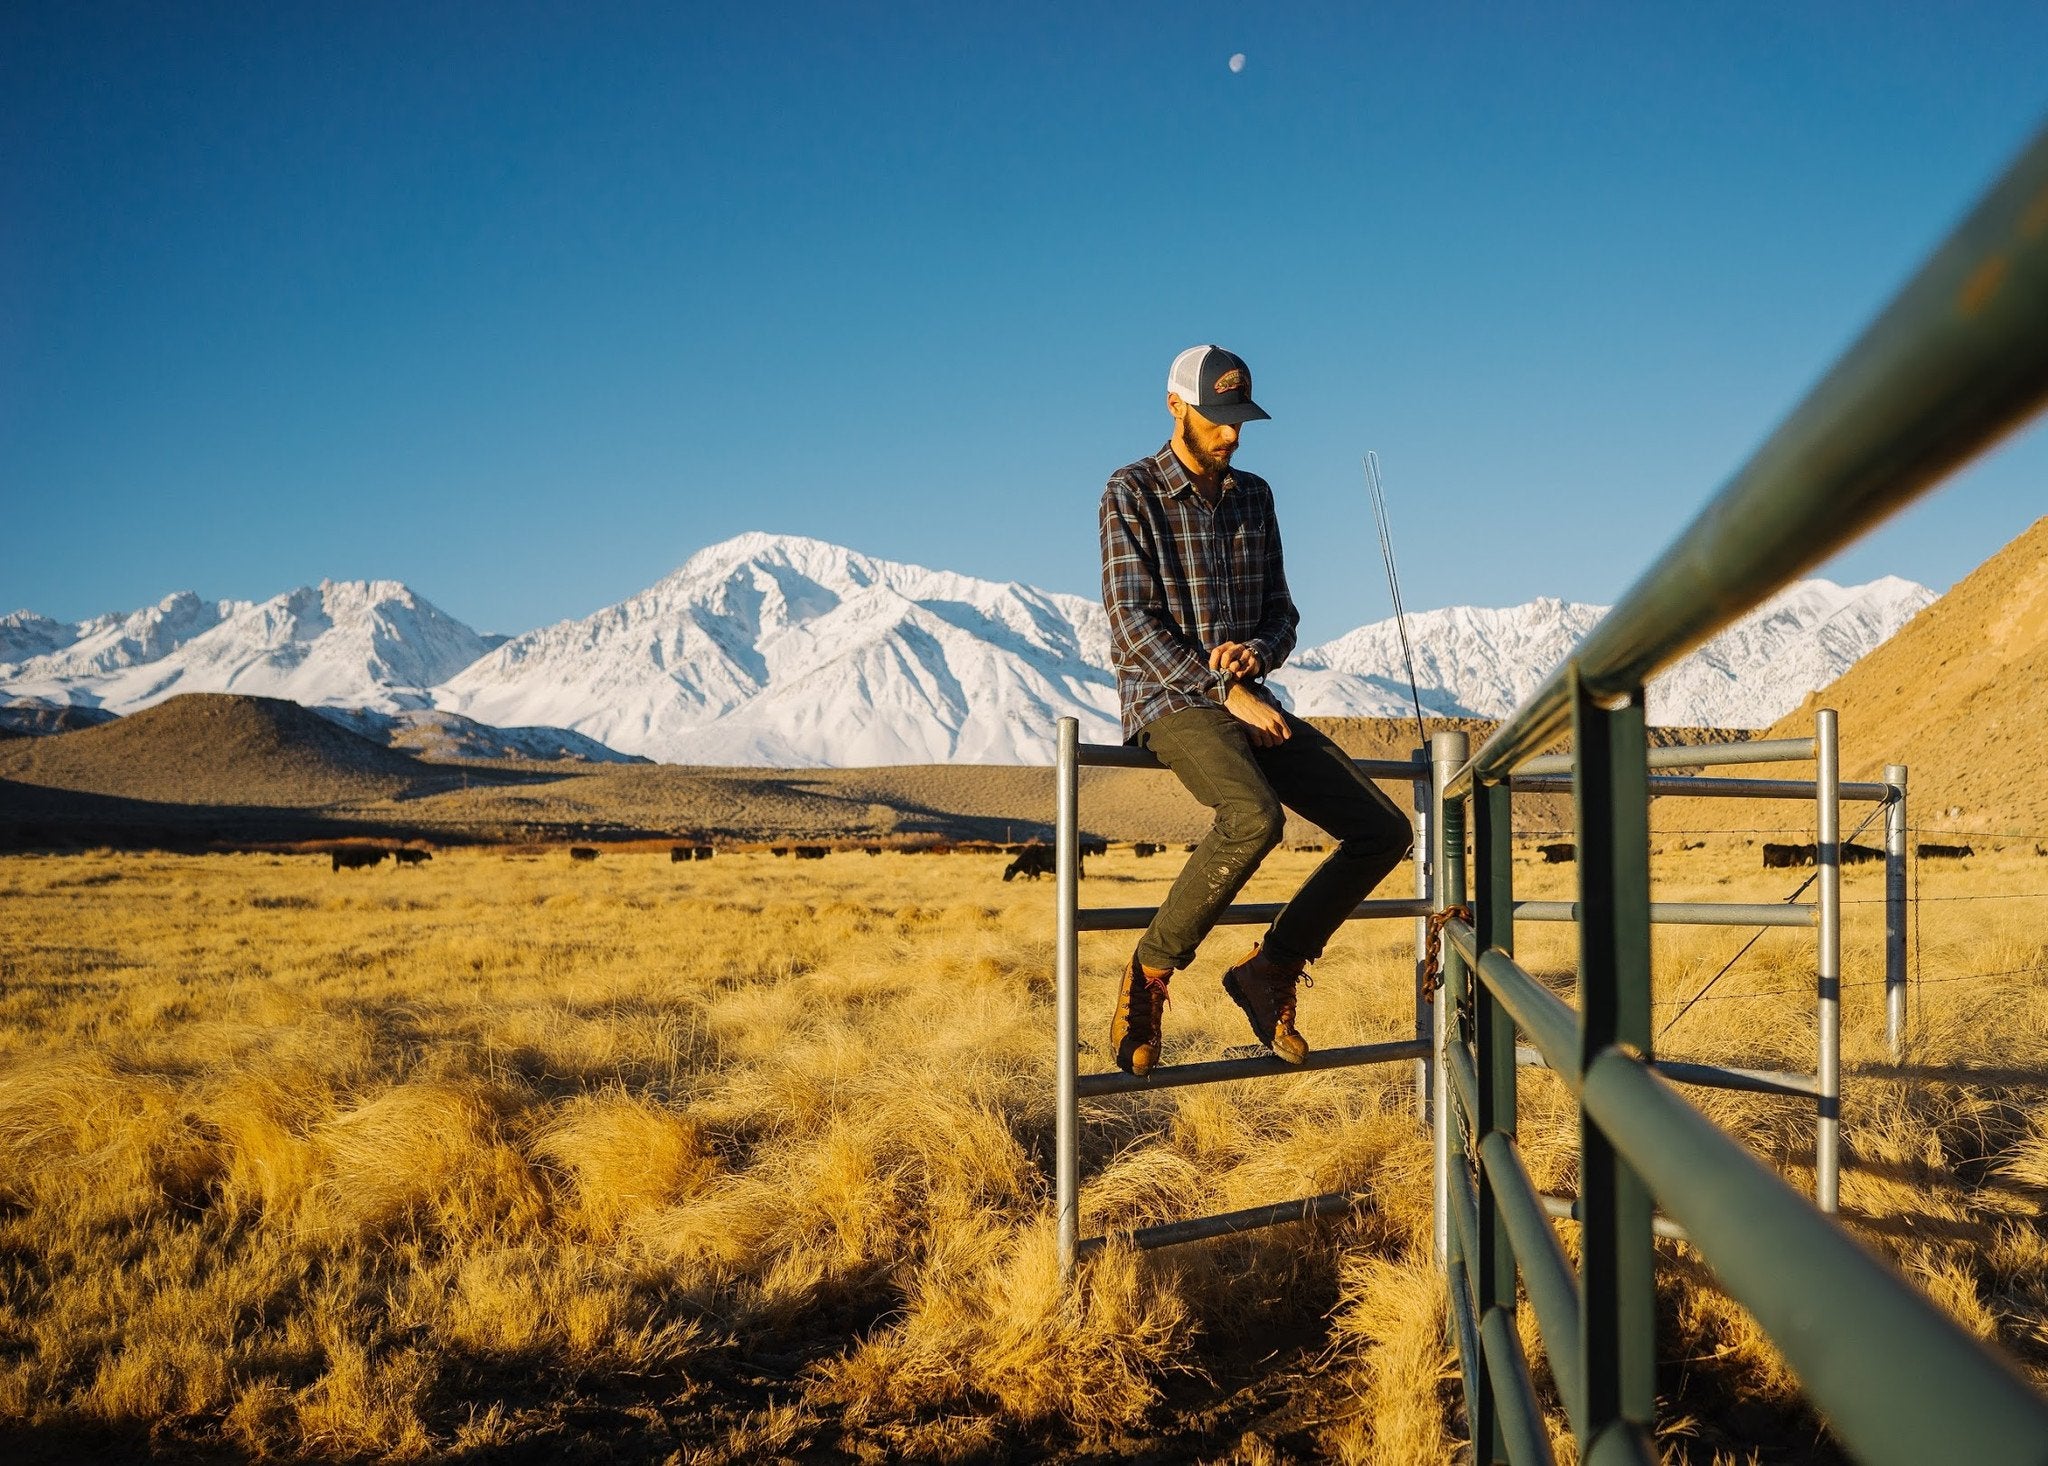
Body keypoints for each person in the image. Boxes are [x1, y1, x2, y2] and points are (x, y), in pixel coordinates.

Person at [1098, 344, 1414, 1076]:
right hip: (1170, 699)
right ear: (1176, 406)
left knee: (1382, 829)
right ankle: (1148, 977)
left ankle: (1270, 969)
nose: (1232, 434)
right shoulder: (1130, 491)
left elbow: (1283, 612)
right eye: (1217, 418)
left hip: (1247, 698)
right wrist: (1222, 690)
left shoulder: (1255, 497)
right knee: (1254, 817)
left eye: (1240, 419)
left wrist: (1255, 656)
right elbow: (1132, 625)